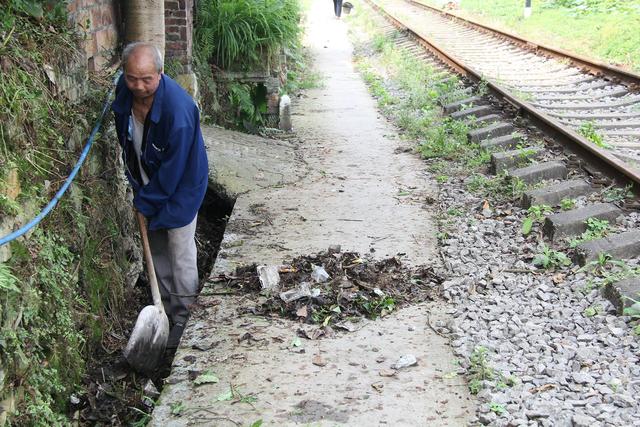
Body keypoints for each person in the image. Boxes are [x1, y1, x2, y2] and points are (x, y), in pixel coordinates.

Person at [111, 42, 209, 349]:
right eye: (131, 78)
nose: (138, 87)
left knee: (180, 254)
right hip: (147, 183)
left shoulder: (179, 111)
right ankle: (163, 310)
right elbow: (125, 140)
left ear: (161, 73)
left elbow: (173, 172)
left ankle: (184, 317)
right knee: (157, 250)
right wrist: (140, 190)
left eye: (147, 79)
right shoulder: (125, 92)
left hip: (181, 188)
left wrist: (145, 201)